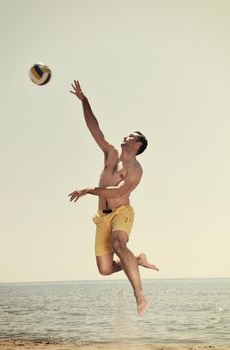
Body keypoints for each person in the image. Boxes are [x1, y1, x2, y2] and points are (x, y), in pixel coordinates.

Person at [69, 81, 159, 316]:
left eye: (131, 135)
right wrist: (84, 101)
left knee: (120, 244)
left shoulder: (136, 169)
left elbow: (117, 192)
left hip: (121, 213)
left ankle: (139, 295)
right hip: (102, 217)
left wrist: (89, 190)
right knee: (105, 270)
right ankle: (137, 260)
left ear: (137, 145)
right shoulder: (110, 154)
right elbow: (94, 129)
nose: (125, 135)